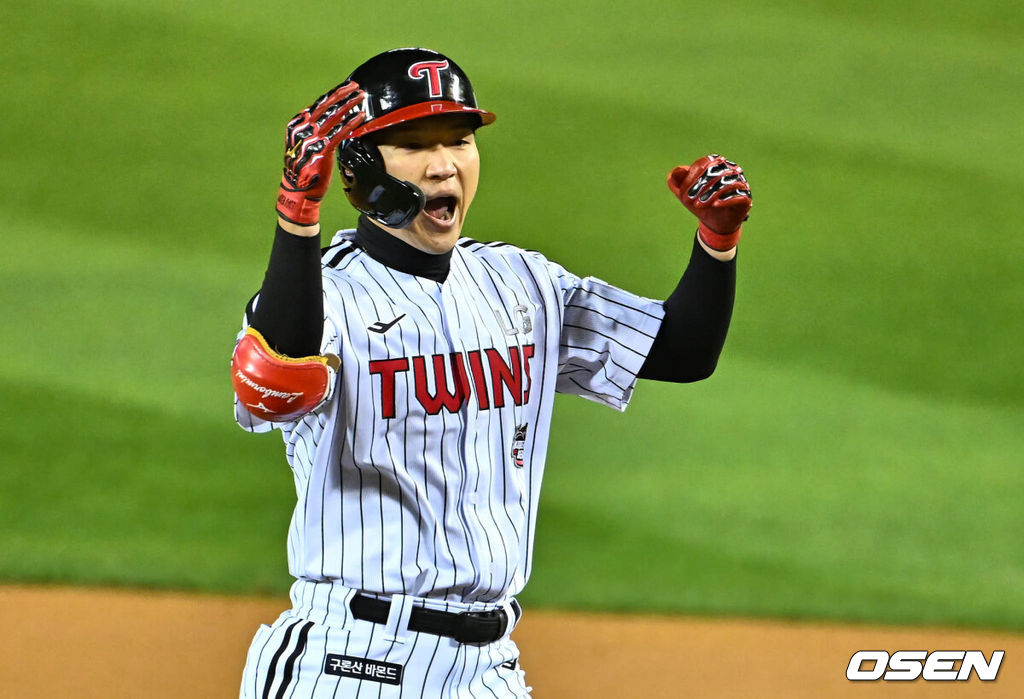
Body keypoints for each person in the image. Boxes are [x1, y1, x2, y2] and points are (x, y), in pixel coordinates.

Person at [231, 47, 751, 698]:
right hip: (349, 661)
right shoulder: (327, 298)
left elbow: (681, 351)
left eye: (458, 139)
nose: (444, 162)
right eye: (414, 143)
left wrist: (717, 245)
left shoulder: (522, 283)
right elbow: (273, 380)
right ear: (361, 170)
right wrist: (295, 218)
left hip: (487, 668)